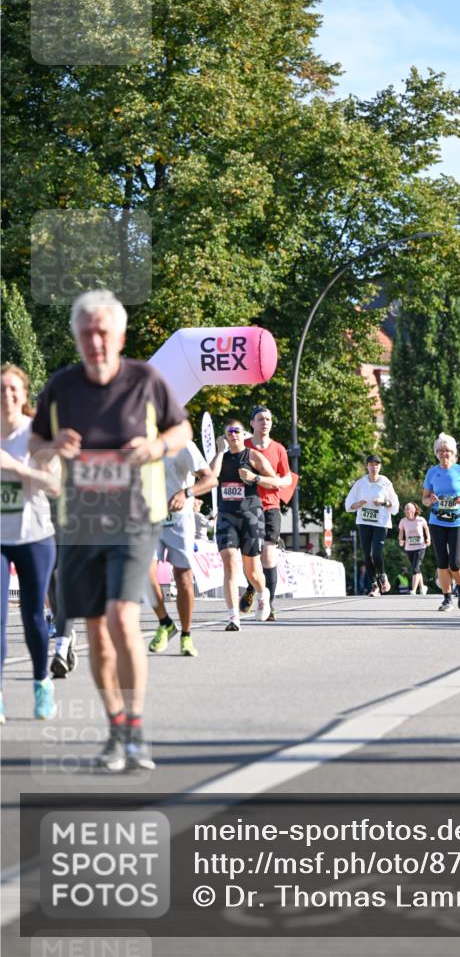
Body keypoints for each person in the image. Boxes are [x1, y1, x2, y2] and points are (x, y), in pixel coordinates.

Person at [30, 291, 192, 771]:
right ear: (77, 338)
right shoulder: (61, 387)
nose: (95, 341)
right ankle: (116, 727)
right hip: (79, 521)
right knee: (97, 632)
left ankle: (136, 731)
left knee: (123, 617)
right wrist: (53, 444)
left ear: (119, 336)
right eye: (86, 333)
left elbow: (180, 430)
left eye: (104, 332)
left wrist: (157, 445)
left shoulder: (145, 379)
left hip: (134, 518)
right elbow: (35, 445)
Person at [1, 364, 60, 723]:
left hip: (34, 535)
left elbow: (54, 486)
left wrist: (15, 468)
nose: (6, 395)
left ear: (23, 395)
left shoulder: (34, 434)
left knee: (33, 615)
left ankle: (42, 682)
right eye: (1, 389)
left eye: (13, 389)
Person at [147, 441, 217, 657]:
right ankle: (165, 622)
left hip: (179, 519)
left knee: (183, 578)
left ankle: (186, 635)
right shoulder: (135, 440)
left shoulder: (182, 444)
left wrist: (186, 492)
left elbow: (210, 479)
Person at [210, 418, 280, 630]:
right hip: (226, 516)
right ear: (224, 436)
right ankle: (233, 617)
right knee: (229, 562)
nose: (233, 435)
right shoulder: (220, 457)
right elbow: (211, 477)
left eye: (237, 431)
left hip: (250, 516)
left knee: (252, 571)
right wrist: (220, 451)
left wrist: (255, 478)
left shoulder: (253, 456)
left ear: (244, 434)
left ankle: (262, 593)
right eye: (229, 432)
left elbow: (275, 481)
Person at [239, 406, 292, 621]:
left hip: (271, 506)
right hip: (246, 507)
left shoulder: (278, 449)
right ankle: (254, 588)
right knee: (250, 557)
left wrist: (276, 482)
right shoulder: (243, 446)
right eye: (260, 419)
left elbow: (287, 478)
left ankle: (268, 605)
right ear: (252, 423)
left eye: (268, 419)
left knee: (269, 555)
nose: (265, 422)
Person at [422, 434, 460, 611]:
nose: (445, 454)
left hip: (457, 521)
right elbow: (425, 499)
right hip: (437, 520)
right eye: (441, 451)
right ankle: (447, 598)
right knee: (442, 561)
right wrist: (431, 499)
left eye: (448, 451)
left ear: (454, 453)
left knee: (456, 562)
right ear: (437, 453)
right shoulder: (432, 472)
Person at [345, 455, 399, 596]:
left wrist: (382, 503)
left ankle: (382, 575)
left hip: (381, 523)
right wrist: (359, 504)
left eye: (377, 464)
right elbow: (348, 505)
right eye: (371, 464)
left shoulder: (386, 483)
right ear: (367, 466)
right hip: (364, 522)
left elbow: (395, 506)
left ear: (380, 467)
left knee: (376, 553)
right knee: (367, 555)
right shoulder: (360, 483)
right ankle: (374, 586)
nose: (374, 467)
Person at [397, 502, 430, 595]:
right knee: (417, 568)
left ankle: (414, 590)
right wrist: (401, 540)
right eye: (406, 509)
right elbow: (401, 531)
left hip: (420, 547)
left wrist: (428, 539)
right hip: (409, 548)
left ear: (414, 510)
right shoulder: (403, 521)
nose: (407, 511)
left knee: (415, 568)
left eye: (409, 509)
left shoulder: (420, 520)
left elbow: (426, 529)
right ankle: (422, 587)